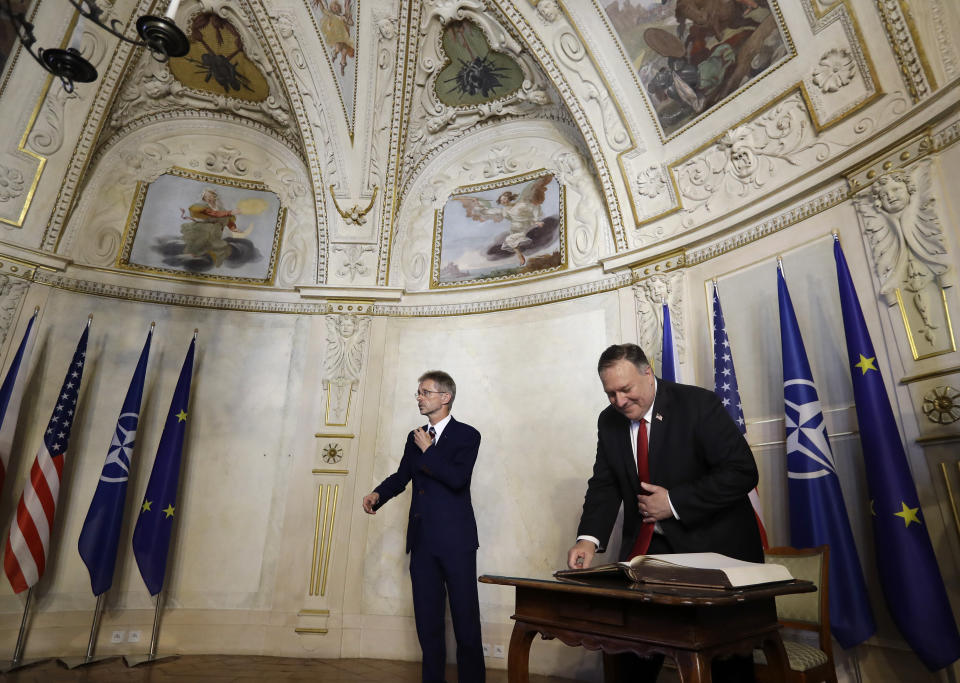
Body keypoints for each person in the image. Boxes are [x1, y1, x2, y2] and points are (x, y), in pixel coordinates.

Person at [567, 343, 762, 682]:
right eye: (610, 393)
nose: (619, 401)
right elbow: (605, 484)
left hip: (714, 553)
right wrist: (588, 539)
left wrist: (674, 503)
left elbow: (742, 471)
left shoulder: (697, 404)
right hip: (649, 557)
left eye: (625, 390)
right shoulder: (609, 421)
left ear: (648, 373)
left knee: (726, 668)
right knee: (632, 657)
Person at [362, 371, 485, 683]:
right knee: (428, 623)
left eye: (426, 392)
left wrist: (430, 450)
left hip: (457, 542)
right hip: (423, 542)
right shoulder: (414, 436)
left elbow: (458, 480)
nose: (419, 397)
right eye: (418, 392)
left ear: (445, 397)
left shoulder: (468, 436)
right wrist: (379, 494)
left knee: (465, 622)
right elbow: (403, 476)